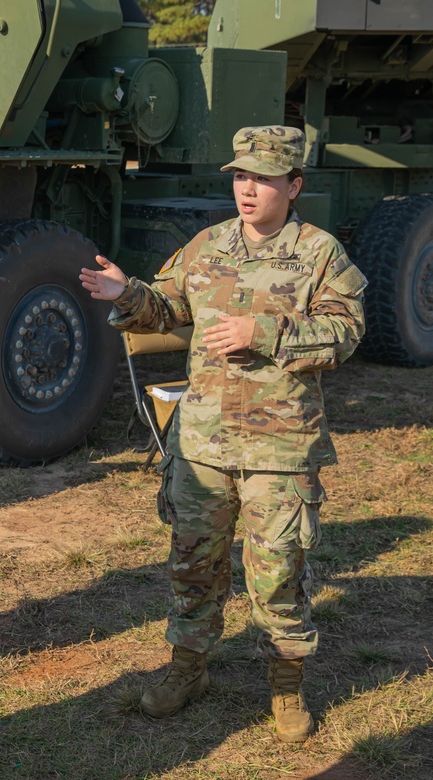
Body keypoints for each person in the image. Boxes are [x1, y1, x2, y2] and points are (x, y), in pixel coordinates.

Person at [80, 126, 367, 743]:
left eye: (264, 178)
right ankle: (188, 670)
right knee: (193, 562)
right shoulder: (207, 245)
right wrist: (126, 293)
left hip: (280, 447)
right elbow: (168, 308)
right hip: (203, 441)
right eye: (241, 176)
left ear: (294, 185)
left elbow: (346, 334)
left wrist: (260, 332)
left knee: (278, 569)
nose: (248, 188)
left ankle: (286, 688)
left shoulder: (320, 254)